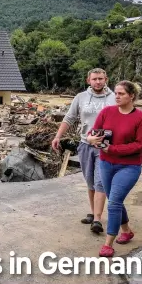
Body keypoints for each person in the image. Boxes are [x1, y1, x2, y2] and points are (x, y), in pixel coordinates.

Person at [87, 81, 142, 257]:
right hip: (106, 163)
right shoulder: (107, 112)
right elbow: (93, 132)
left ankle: (108, 244)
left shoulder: (140, 118)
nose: (117, 96)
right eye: (116, 93)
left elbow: (141, 144)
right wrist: (91, 139)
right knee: (115, 199)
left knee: (114, 202)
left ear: (131, 96)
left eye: (121, 93)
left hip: (129, 166)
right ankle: (127, 231)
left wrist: (113, 149)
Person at [51, 68, 116, 233]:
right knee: (90, 181)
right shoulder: (81, 97)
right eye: (94, 79)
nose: (98, 82)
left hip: (105, 145)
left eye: (101, 78)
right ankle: (93, 212)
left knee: (101, 181)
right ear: (89, 81)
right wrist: (58, 136)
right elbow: (69, 118)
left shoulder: (114, 98)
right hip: (85, 144)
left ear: (106, 79)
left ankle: (97, 219)